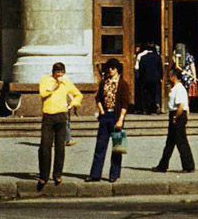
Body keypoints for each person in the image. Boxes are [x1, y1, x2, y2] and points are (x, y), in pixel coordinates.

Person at [38, 62, 83, 191]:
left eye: (61, 72)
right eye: (57, 72)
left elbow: (78, 94)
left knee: (60, 147)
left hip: (61, 116)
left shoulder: (66, 82)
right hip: (48, 116)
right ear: (53, 72)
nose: (59, 75)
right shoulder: (45, 80)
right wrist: (54, 85)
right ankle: (43, 175)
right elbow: (42, 93)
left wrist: (73, 104)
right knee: (45, 146)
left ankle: (57, 174)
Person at [88, 59, 131, 183]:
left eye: (113, 68)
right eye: (108, 68)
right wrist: (101, 111)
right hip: (105, 116)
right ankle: (95, 174)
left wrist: (121, 120)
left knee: (118, 147)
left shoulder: (123, 84)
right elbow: (98, 98)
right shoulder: (103, 83)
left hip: (117, 117)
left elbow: (125, 103)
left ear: (117, 69)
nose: (110, 70)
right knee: (100, 145)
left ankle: (114, 174)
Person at [153, 67, 194, 173]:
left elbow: (181, 105)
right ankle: (163, 165)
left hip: (177, 114)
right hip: (175, 114)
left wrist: (175, 117)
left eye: (170, 75)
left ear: (174, 77)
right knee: (170, 142)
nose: (169, 77)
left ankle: (188, 165)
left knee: (181, 141)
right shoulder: (174, 88)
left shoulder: (179, 89)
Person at [138, 44, 164, 115]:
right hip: (156, 78)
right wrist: (161, 77)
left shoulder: (143, 57)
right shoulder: (158, 57)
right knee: (156, 93)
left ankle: (146, 109)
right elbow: (160, 68)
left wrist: (141, 78)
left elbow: (141, 69)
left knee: (146, 94)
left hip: (146, 79)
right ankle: (156, 105)